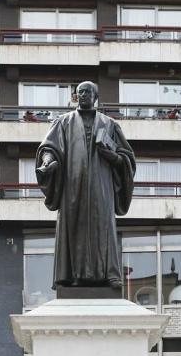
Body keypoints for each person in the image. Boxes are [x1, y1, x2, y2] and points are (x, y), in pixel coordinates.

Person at [35, 80, 135, 289]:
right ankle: (72, 276)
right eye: (79, 92)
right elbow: (49, 148)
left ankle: (110, 275)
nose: (83, 95)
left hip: (102, 186)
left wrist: (114, 157)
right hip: (73, 184)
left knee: (104, 226)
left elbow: (127, 158)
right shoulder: (63, 122)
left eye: (87, 92)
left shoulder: (110, 124)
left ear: (95, 96)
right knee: (73, 226)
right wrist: (47, 162)